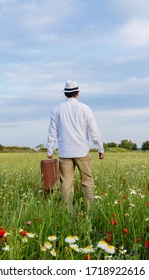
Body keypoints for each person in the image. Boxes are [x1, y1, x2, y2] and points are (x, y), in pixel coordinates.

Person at [46, 80, 105, 211]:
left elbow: (52, 132)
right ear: (77, 93)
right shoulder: (85, 108)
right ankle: (88, 210)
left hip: (65, 152)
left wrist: (50, 150)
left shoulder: (56, 109)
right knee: (87, 181)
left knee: (66, 183)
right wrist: (100, 148)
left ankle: (68, 211)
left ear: (65, 94)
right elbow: (93, 130)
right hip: (82, 151)